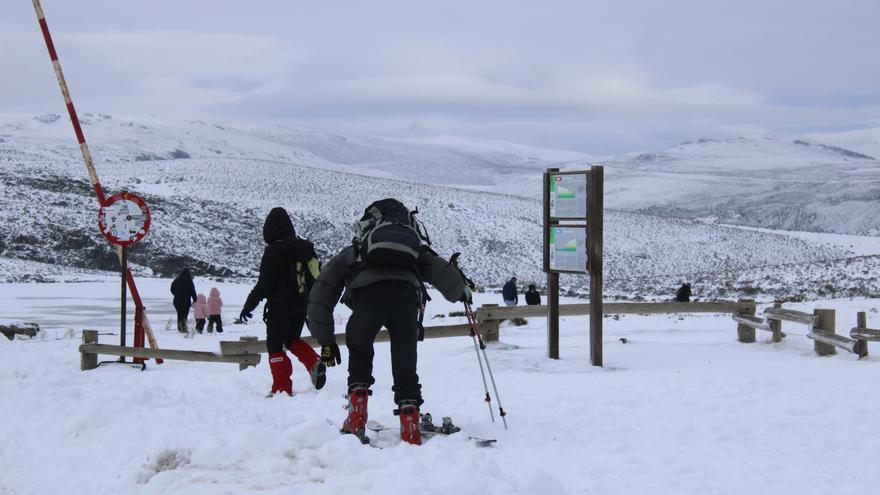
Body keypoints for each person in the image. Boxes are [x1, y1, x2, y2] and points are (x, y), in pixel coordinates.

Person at [307, 198, 469, 446]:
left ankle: (355, 419)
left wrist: (326, 341)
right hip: (404, 300)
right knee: (405, 364)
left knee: (360, 356)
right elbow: (440, 271)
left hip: (366, 299)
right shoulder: (413, 249)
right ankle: (410, 427)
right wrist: (461, 292)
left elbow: (322, 293)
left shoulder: (357, 250)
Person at [239, 207, 325, 396]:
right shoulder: (305, 249)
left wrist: (249, 306)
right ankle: (313, 362)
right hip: (302, 305)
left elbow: (264, 285)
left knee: (275, 346)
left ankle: (281, 387)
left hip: (279, 307)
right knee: (292, 339)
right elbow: (316, 279)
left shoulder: (273, 251)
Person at [170, 268, 197, 333]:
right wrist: (195, 299)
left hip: (177, 301)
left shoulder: (176, 280)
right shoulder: (189, 281)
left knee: (179, 314)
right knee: (184, 315)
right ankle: (184, 328)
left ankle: (180, 327)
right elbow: (192, 291)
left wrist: (176, 294)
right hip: (186, 301)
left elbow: (172, 289)